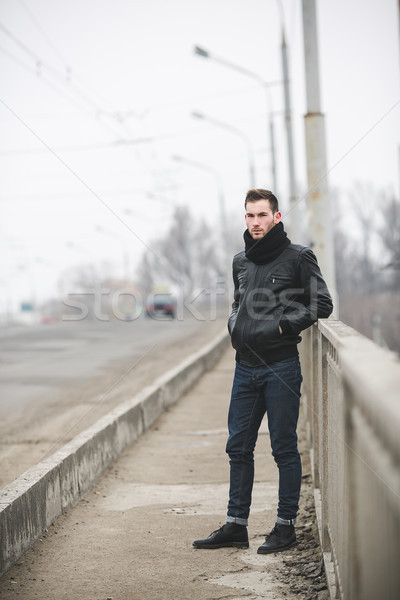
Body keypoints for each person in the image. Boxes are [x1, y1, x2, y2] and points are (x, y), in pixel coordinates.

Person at [193, 188, 333, 554]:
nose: (256, 222)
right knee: (238, 446)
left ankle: (285, 529)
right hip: (245, 368)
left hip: (281, 366)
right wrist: (234, 324)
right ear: (245, 219)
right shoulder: (241, 261)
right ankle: (236, 526)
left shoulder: (299, 257)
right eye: (250, 216)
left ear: (277, 217)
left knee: (284, 448)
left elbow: (322, 303)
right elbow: (238, 302)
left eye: (262, 215)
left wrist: (284, 327)